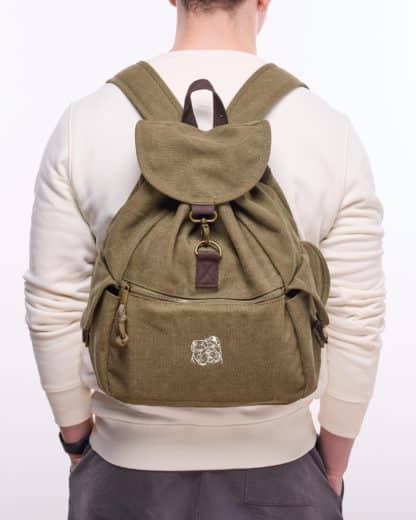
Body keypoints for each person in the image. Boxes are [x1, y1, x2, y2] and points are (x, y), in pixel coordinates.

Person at [23, 0, 386, 518]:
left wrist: (79, 443)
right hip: (282, 470)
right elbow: (358, 316)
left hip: (124, 474)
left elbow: (52, 305)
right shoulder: (328, 130)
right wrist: (332, 465)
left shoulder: (85, 123)